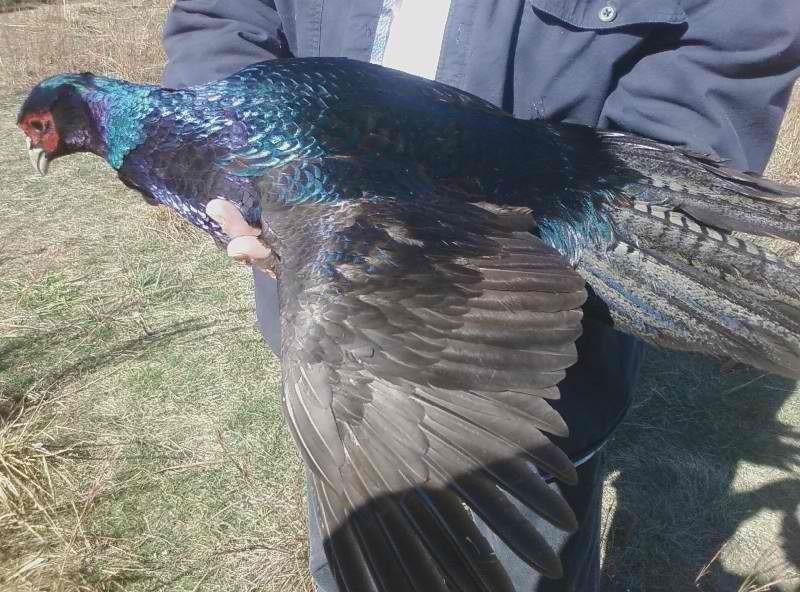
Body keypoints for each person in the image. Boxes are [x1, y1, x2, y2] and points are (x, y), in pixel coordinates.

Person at [160, 1, 800, 590]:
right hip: (343, 345)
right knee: (364, 479)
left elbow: (738, 29)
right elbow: (221, 18)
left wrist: (624, 186)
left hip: (569, 240)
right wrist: (239, 164)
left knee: (455, 528)